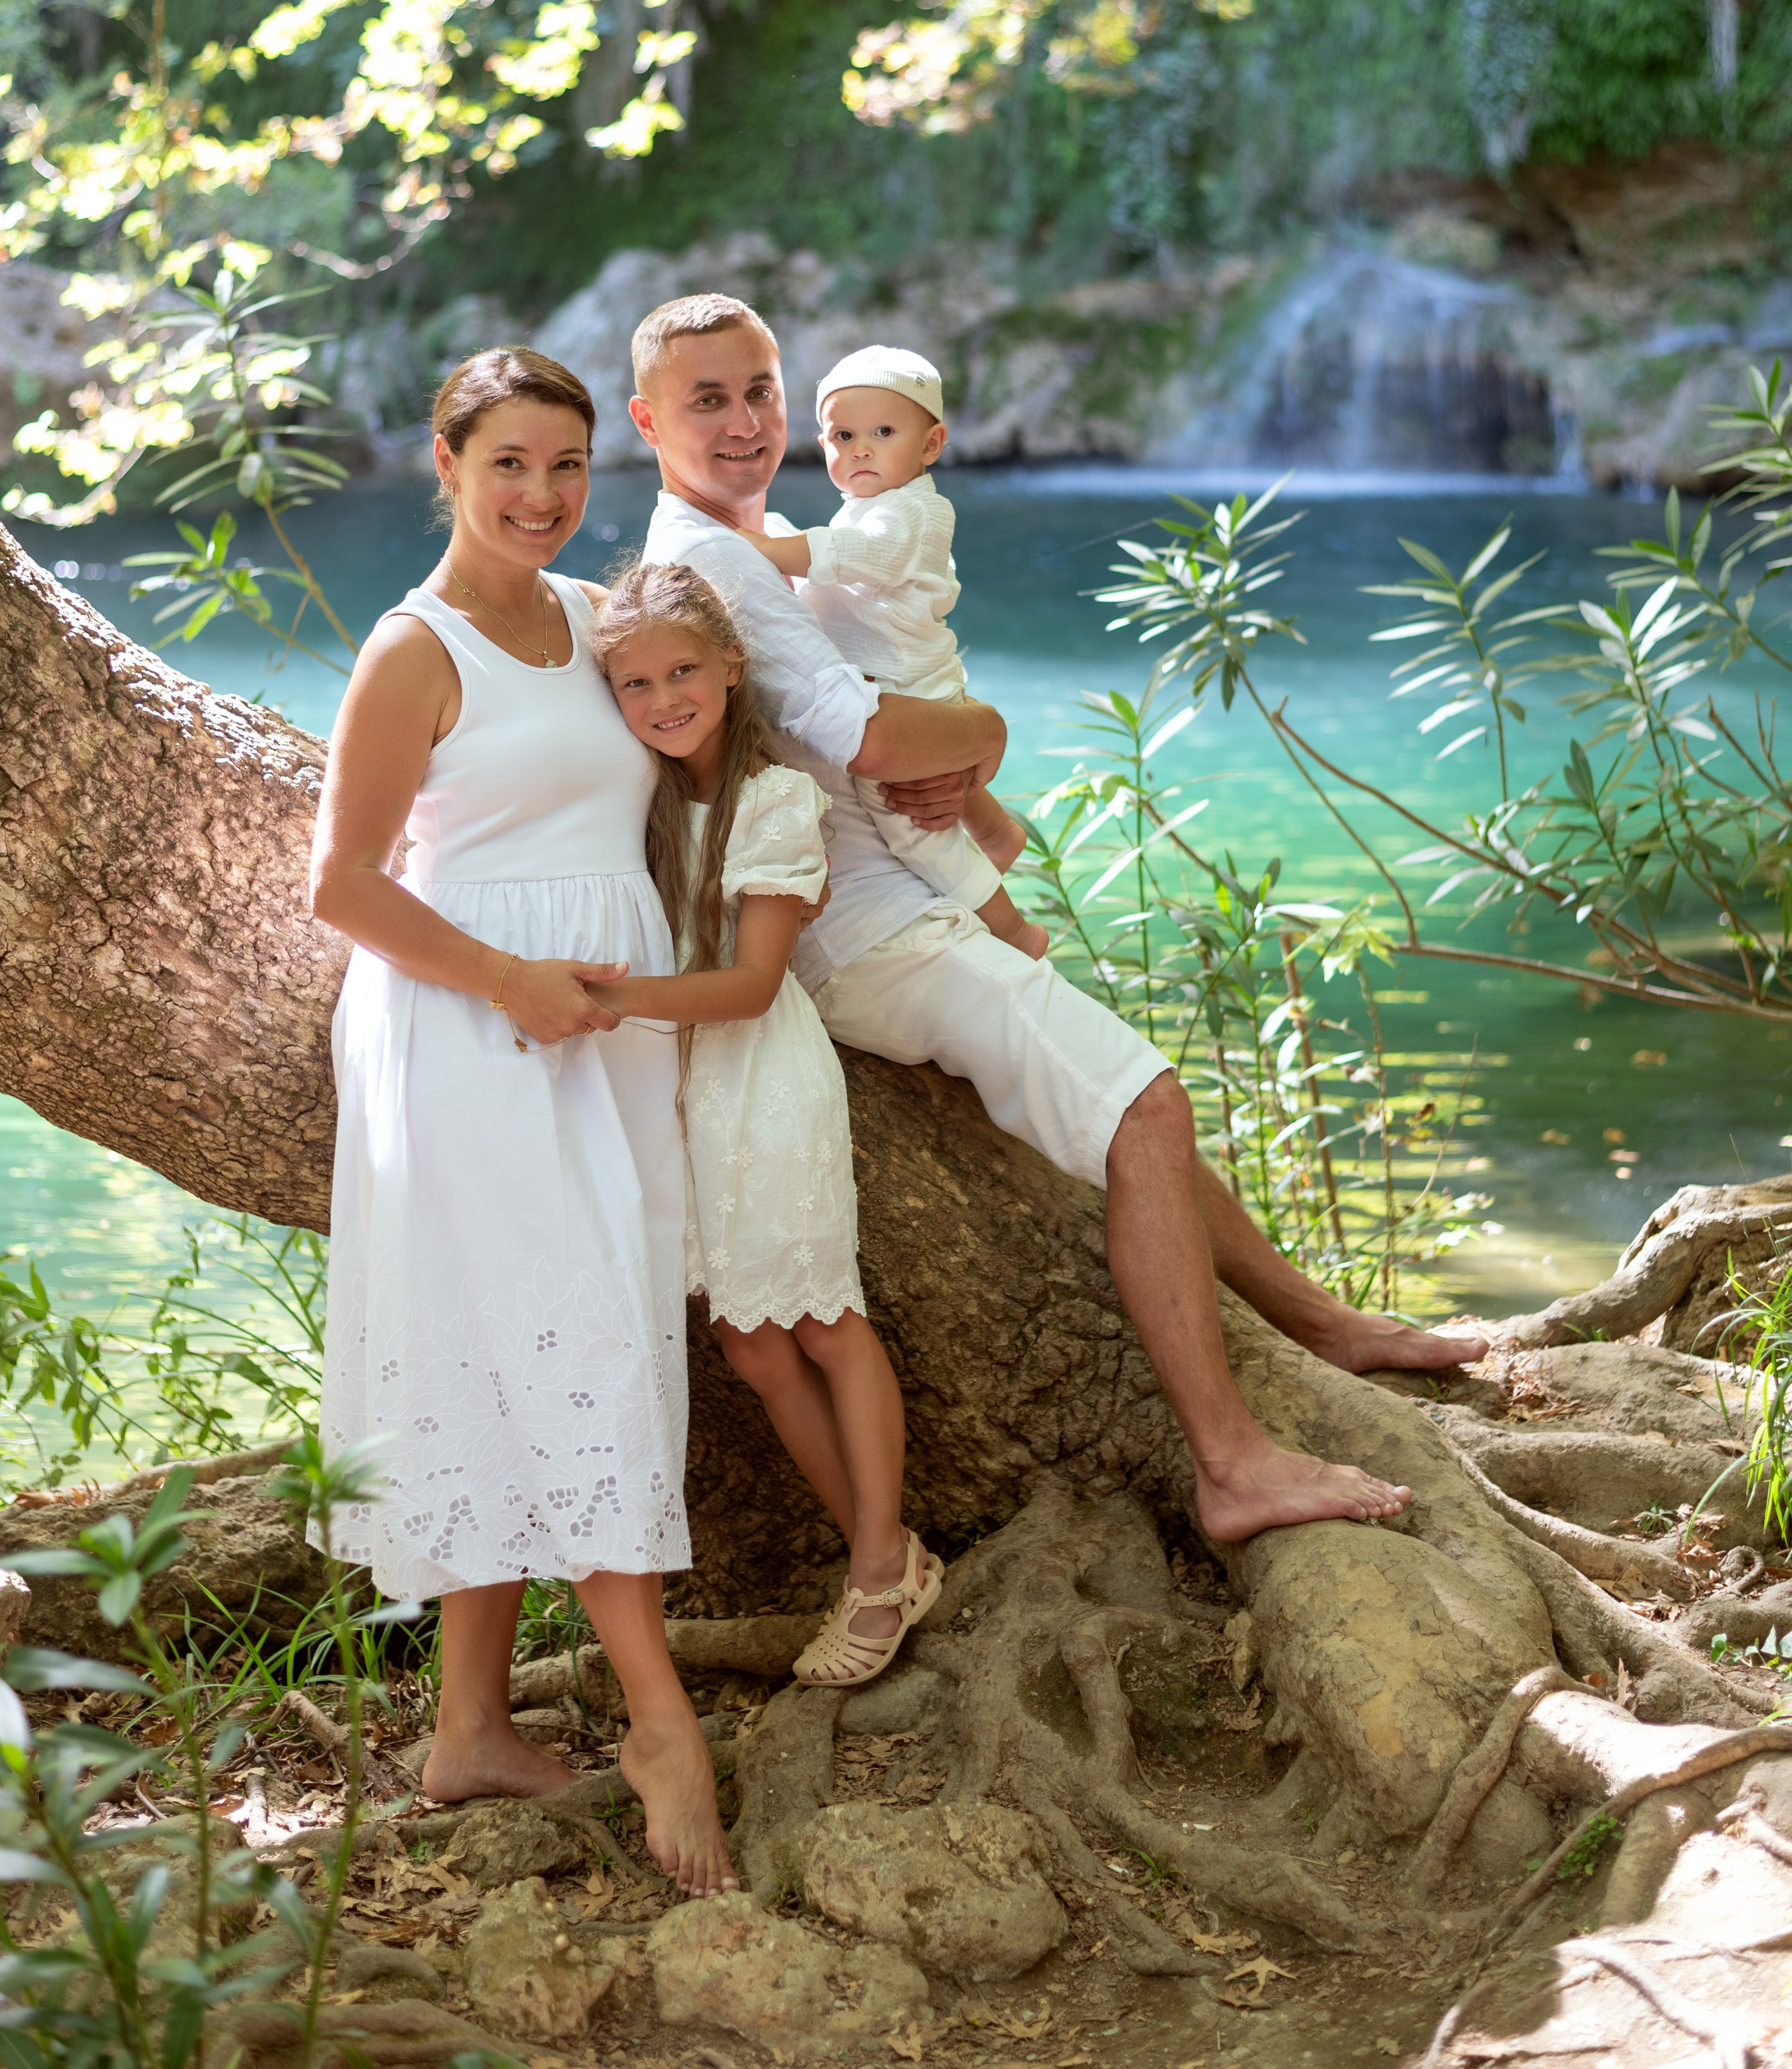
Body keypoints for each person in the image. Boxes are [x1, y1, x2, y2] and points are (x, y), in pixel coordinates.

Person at [629, 293, 1490, 1545]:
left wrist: (953, 769)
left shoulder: (767, 546)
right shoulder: (717, 566)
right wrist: (985, 736)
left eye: (762, 390)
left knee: (1120, 1086)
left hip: (886, 892)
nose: (748, 420)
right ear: (650, 420)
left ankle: (1322, 1324)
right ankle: (1233, 1466)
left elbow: (872, 732)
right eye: (709, 399)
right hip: (856, 930)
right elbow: (871, 736)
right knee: (1146, 1104)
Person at [309, 346, 734, 1897]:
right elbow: (341, 885)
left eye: (567, 467)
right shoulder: (411, 650)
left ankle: (468, 1730)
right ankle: (659, 1721)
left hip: (604, 1031)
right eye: (510, 465)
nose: (543, 497)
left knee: (554, 1339)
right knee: (571, 1342)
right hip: (475, 1031)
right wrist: (509, 983)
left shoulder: (587, 623)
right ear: (446, 462)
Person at [588, 558, 942, 1689]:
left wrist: (613, 999)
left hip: (760, 1075)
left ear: (730, 669)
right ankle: (886, 1558)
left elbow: (747, 985)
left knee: (826, 1320)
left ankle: (880, 1567)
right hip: (674, 1090)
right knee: (750, 1342)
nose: (662, 701)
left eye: (683, 671)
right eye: (635, 684)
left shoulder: (776, 800)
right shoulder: (633, 799)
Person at [738, 342, 1047, 960]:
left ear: (931, 445)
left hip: (911, 686)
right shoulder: (868, 505)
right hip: (911, 677)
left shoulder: (914, 512)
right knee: (936, 786)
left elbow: (865, 557)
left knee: (914, 830)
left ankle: (1016, 931)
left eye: (883, 431)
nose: (860, 449)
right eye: (841, 434)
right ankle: (996, 831)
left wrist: (774, 551)